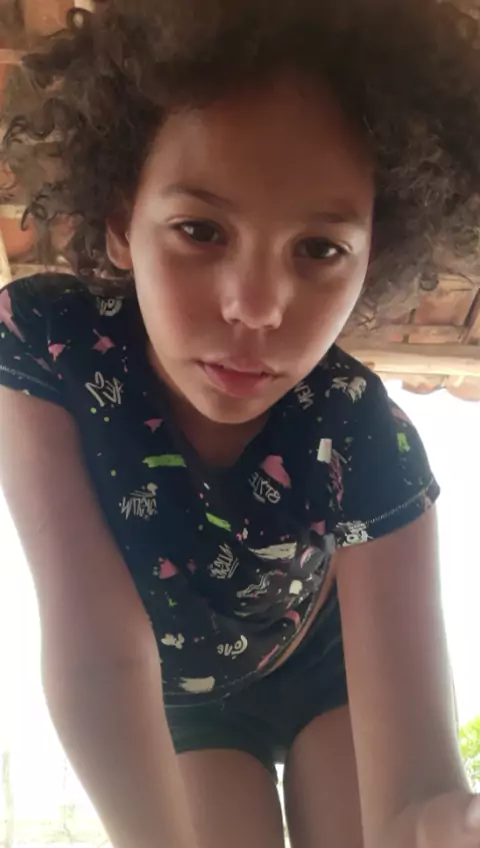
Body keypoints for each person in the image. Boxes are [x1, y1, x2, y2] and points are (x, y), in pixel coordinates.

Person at [0, 1, 479, 846]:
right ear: (120, 222)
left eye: (319, 249)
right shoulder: (49, 344)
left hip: (331, 674)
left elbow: (419, 804)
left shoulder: (365, 431)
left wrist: (459, 822)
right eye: (200, 230)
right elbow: (98, 649)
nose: (256, 308)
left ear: (375, 255)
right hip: (179, 697)